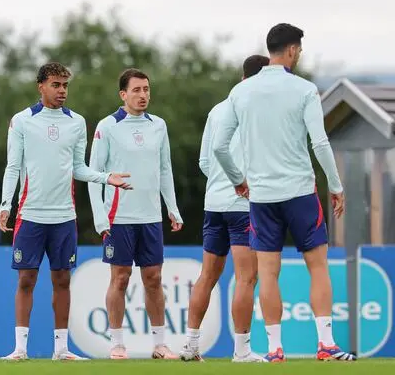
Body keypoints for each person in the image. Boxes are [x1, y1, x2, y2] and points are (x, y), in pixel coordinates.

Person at [212, 23, 355, 362]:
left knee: (268, 273)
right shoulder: (304, 89)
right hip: (300, 193)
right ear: (291, 50)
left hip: (261, 197)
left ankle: (275, 349)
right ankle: (326, 344)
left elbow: (219, 145)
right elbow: (319, 141)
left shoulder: (240, 92)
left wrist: (237, 179)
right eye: (300, 50)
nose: (300, 55)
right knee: (318, 267)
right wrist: (335, 185)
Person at [0, 62, 132, 360]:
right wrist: (6, 203)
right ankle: (20, 348)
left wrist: (106, 177)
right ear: (41, 86)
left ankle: (61, 349)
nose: (62, 91)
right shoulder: (22, 121)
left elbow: (79, 168)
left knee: (62, 280)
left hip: (64, 217)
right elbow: (13, 166)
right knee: (26, 280)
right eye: (56, 85)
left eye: (65, 85)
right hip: (30, 214)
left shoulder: (77, 122)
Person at [87, 68, 183, 360]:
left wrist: (172, 208)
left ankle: (160, 344)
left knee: (153, 278)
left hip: (151, 216)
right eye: (137, 90)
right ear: (123, 94)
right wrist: (100, 218)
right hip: (118, 217)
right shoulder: (107, 126)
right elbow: (93, 173)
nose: (143, 95)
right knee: (120, 278)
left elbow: (165, 169)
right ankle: (117, 343)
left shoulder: (159, 125)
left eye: (147, 89)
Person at [179, 55, 269, 363]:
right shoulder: (257, 109)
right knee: (246, 277)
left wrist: (221, 182)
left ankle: (191, 345)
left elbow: (205, 161)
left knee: (208, 275)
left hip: (213, 204)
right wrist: (240, 182)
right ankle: (242, 350)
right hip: (243, 205)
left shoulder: (218, 109)